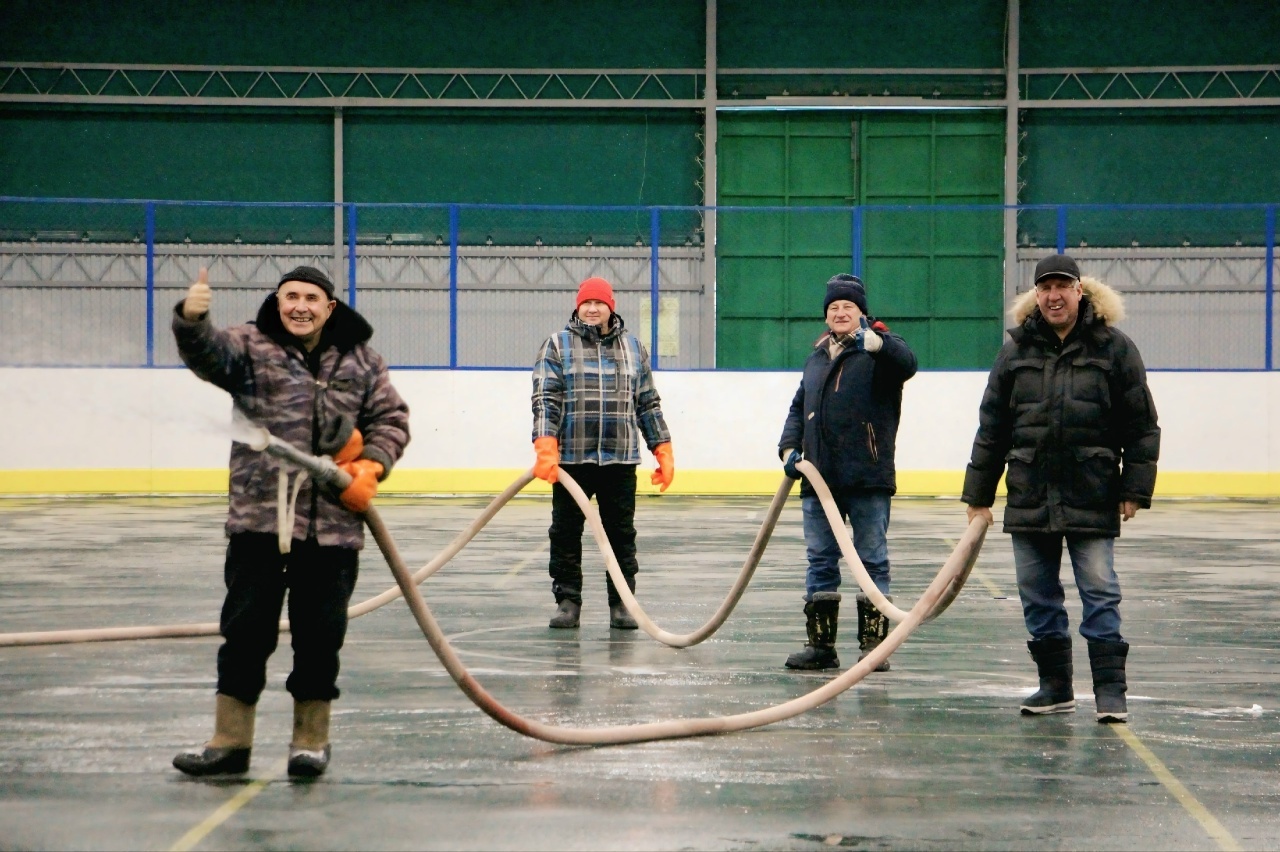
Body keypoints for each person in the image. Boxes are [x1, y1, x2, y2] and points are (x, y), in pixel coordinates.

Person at [171, 264, 410, 777]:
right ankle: (229, 742)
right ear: (278, 302)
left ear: (330, 307)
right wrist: (192, 320)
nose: (299, 306)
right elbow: (207, 353)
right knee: (244, 635)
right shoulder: (251, 347)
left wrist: (371, 464)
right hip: (259, 523)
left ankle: (310, 742)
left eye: (310, 298)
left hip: (333, 529)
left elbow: (390, 420)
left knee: (320, 639)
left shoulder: (363, 361)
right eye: (289, 297)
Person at [962, 253, 1159, 724]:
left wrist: (1135, 487)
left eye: (1062, 287)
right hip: (1030, 491)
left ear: (1079, 292)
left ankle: (1111, 691)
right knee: (1037, 593)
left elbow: (1141, 425)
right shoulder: (1015, 351)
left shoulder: (1115, 348)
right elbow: (993, 427)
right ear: (1036, 296)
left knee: (1100, 590)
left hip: (1092, 490)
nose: (1053, 296)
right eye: (1044, 288)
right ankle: (1056, 687)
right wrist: (979, 496)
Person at [778, 273, 918, 671]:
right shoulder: (817, 356)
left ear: (862, 314)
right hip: (819, 478)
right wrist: (789, 447)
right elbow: (798, 406)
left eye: (848, 307)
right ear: (826, 315)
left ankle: (874, 648)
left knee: (871, 559)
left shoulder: (882, 352)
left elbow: (907, 364)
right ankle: (821, 647)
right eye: (834, 307)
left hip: (867, 476)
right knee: (820, 559)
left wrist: (876, 342)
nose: (840, 313)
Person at [531, 276, 674, 630]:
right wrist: (545, 442)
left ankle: (622, 604)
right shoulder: (557, 345)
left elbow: (647, 403)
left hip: (620, 458)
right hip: (572, 460)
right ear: (577, 307)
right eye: (586, 303)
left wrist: (662, 447)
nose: (592, 308)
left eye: (599, 302)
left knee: (620, 534)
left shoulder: (634, 347)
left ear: (611, 307)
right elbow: (546, 399)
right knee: (564, 532)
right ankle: (567, 602)